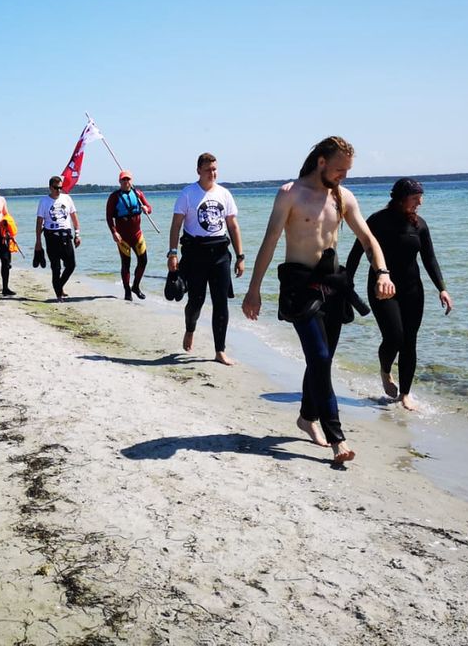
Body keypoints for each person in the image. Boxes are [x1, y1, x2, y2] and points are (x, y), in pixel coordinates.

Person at [242, 137, 395, 465]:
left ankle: (306, 417)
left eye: (348, 170)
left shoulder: (343, 197)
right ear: (321, 162)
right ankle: (338, 437)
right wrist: (253, 290)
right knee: (321, 357)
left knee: (320, 361)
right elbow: (269, 242)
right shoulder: (290, 194)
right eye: (340, 169)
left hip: (332, 287)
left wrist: (382, 272)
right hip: (299, 288)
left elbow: (368, 239)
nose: (344, 176)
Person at [346, 178, 453, 411]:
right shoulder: (377, 221)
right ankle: (385, 371)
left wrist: (442, 288)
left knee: (409, 342)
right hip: (381, 288)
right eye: (415, 198)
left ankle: (405, 394)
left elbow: (429, 259)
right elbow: (357, 251)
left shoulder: (420, 225)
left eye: (421, 198)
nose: (420, 203)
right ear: (401, 198)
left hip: (413, 290)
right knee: (394, 336)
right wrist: (348, 283)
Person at [167, 153, 245, 366]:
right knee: (196, 300)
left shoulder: (225, 194)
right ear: (199, 171)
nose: (213, 173)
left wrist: (240, 256)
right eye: (209, 169)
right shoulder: (188, 194)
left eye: (215, 169)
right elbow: (176, 225)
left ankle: (220, 350)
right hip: (195, 254)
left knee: (221, 303)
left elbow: (233, 225)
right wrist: (173, 252)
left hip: (220, 254)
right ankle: (190, 329)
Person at [106, 170, 152, 301]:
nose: (126, 182)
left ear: (131, 181)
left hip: (137, 234)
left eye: (128, 180)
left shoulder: (137, 194)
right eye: (123, 180)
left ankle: (136, 286)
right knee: (126, 264)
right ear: (120, 182)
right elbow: (109, 217)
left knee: (143, 261)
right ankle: (127, 290)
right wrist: (114, 232)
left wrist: (146, 209)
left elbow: (149, 207)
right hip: (123, 237)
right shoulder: (114, 197)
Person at [35, 176, 81, 300]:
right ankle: (58, 293)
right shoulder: (44, 201)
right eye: (56, 188)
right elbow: (39, 222)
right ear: (50, 187)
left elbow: (74, 217)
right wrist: (38, 242)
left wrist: (77, 234)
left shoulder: (67, 199)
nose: (58, 190)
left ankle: (59, 286)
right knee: (56, 267)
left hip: (66, 235)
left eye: (60, 188)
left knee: (71, 265)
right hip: (51, 236)